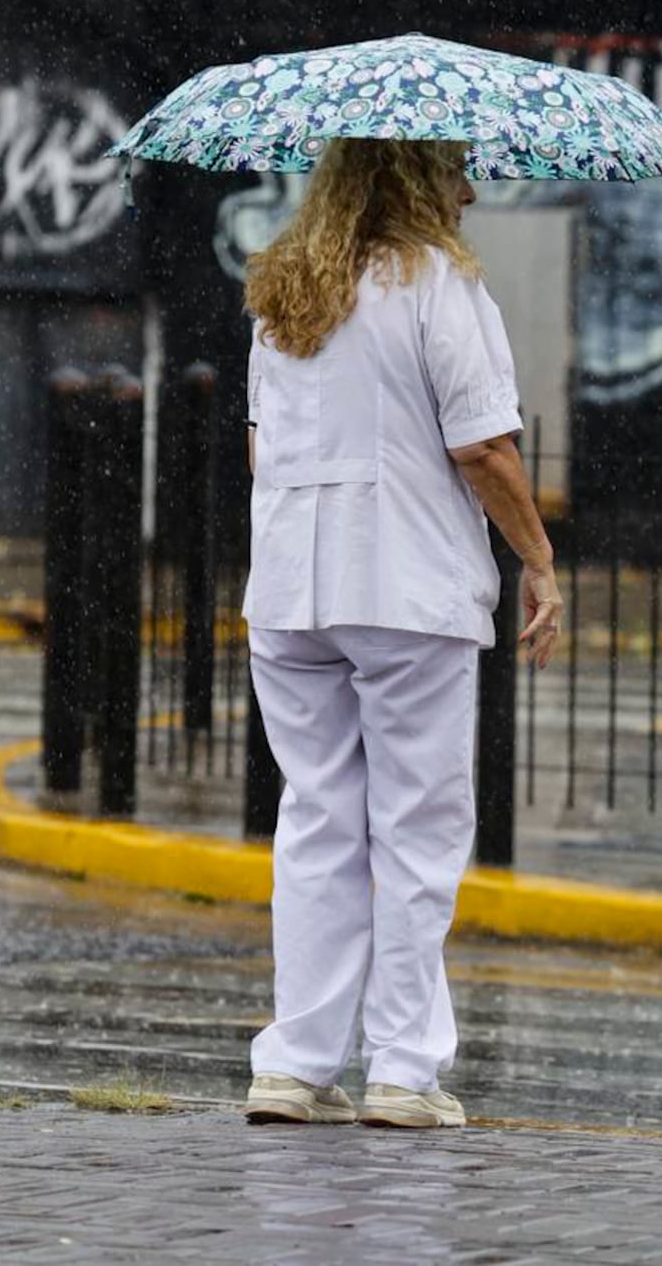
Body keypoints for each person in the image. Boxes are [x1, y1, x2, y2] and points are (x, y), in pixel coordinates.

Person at [236, 138, 562, 1130]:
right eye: (455, 167)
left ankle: (295, 1064)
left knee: (318, 825)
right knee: (417, 831)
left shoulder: (282, 291)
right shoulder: (436, 285)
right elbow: (483, 447)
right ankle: (403, 1072)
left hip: (293, 591)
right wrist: (539, 558)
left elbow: (260, 448)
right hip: (406, 587)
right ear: (414, 179)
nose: (470, 186)